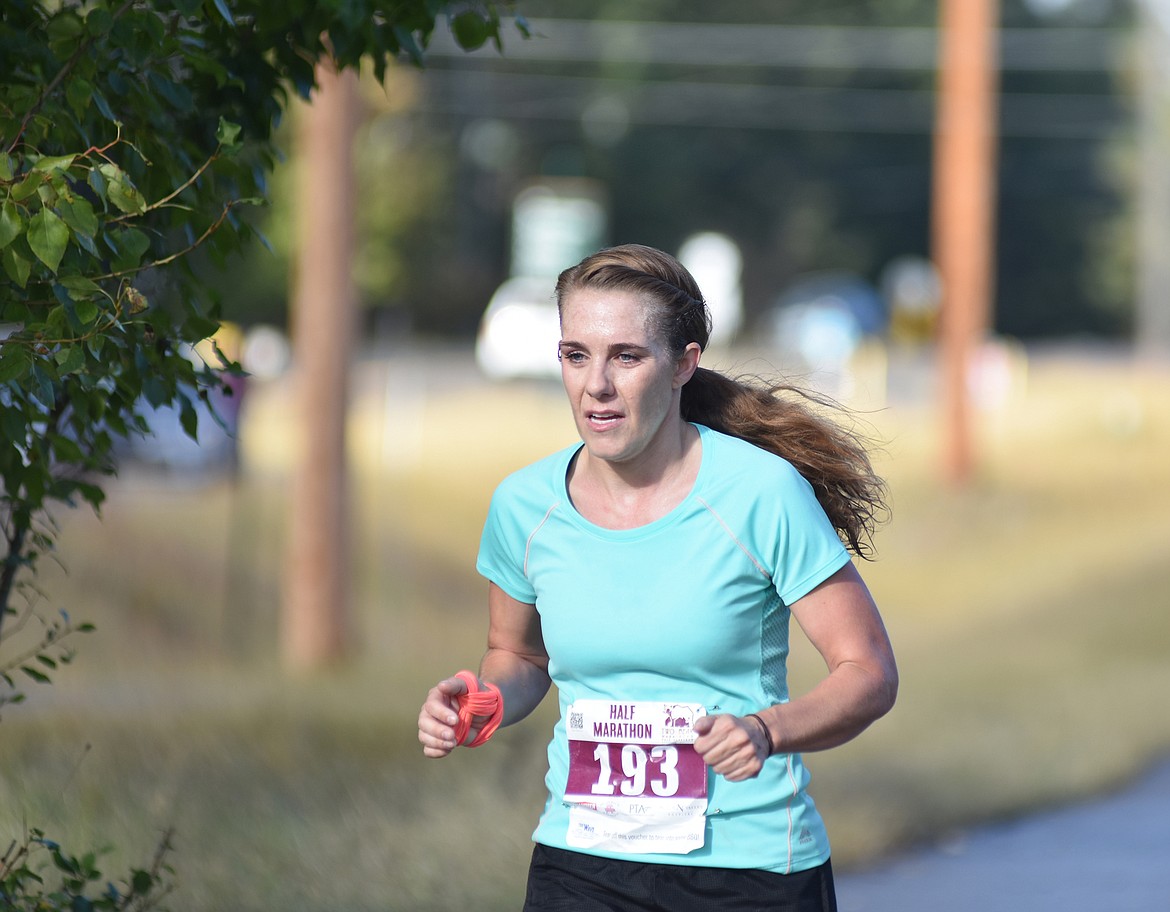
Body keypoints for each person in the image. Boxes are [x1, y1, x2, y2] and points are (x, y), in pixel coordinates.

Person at [417, 244, 898, 912]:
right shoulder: (525, 506)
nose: (597, 385)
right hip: (582, 860)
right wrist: (482, 700)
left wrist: (767, 731)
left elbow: (868, 671)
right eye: (576, 355)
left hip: (749, 870)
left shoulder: (759, 495)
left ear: (683, 365)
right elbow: (520, 655)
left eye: (627, 356)